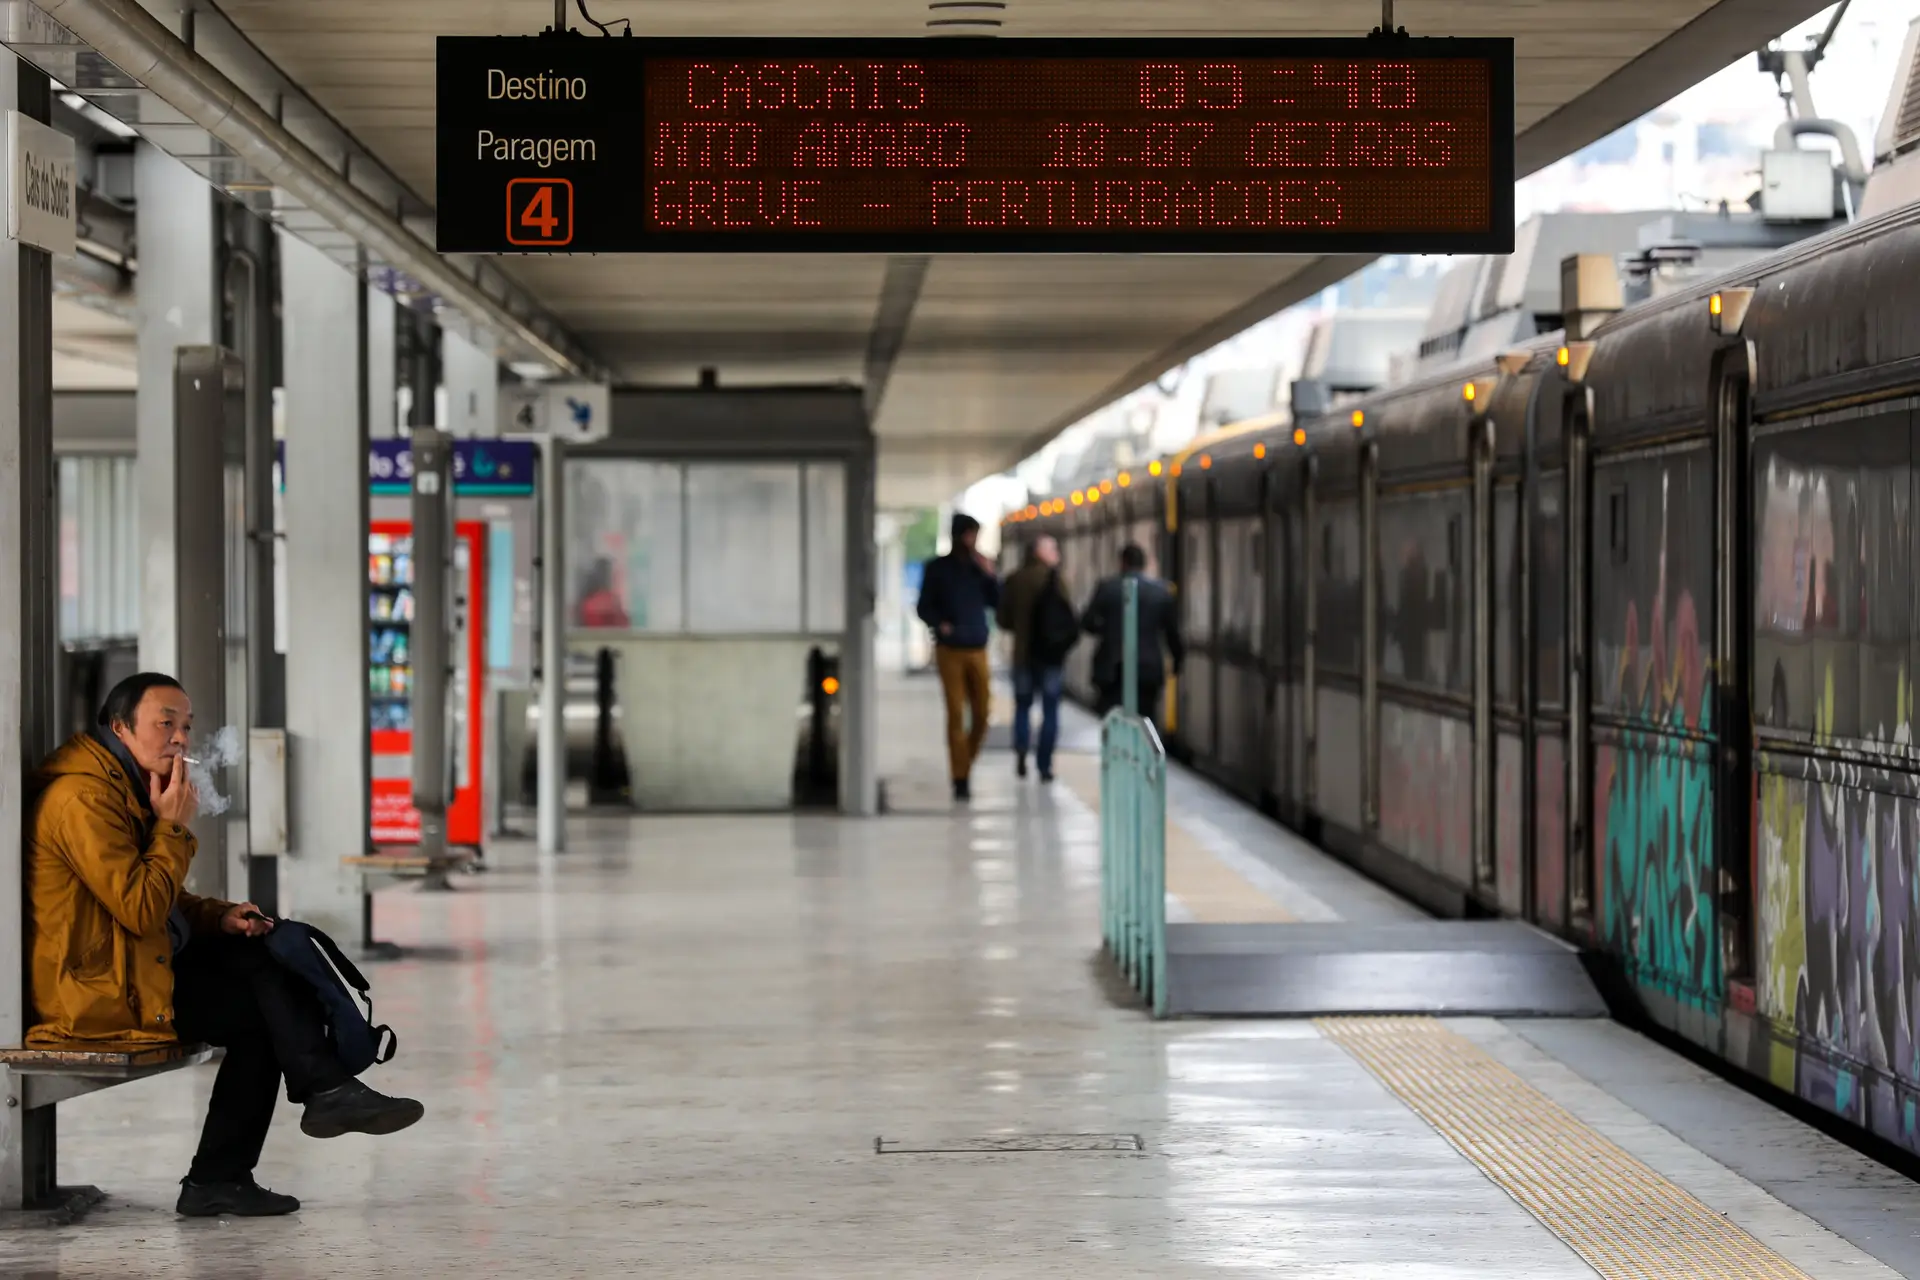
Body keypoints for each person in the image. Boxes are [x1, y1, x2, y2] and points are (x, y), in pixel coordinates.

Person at [26, 672, 425, 1219]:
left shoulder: (123, 784)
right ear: (120, 726)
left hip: (129, 970)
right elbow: (141, 906)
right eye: (164, 723)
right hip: (93, 994)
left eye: (186, 725)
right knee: (262, 997)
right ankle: (282, 1125)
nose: (180, 739)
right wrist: (173, 829)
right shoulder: (83, 800)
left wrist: (221, 917)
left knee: (262, 958)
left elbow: (159, 900)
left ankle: (271, 1136)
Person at [915, 512, 1001, 801]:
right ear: (957, 536)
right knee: (955, 713)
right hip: (949, 649)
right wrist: (940, 623)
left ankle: (964, 763)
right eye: (969, 534)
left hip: (977, 646)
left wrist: (990, 575)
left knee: (983, 713)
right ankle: (959, 777)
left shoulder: (979, 568)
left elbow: (997, 602)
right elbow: (923, 607)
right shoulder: (937, 569)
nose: (972, 541)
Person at [996, 534, 1077, 782]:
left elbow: (1003, 620)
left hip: (1023, 655)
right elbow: (1068, 617)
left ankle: (1021, 750)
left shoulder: (1014, 579)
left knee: (1022, 706)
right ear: (1040, 552)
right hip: (1050, 658)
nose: (1057, 554)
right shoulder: (1056, 580)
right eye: (1053, 549)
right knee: (1050, 711)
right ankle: (1044, 765)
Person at [1082, 543, 1184, 731]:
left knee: (1113, 723)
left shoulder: (1107, 588)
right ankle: (1143, 759)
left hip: (1112, 668)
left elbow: (1087, 622)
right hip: (1148, 669)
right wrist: (1177, 661)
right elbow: (1172, 633)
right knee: (1146, 722)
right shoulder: (1161, 592)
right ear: (1144, 564)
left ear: (1122, 562)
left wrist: (1109, 630)